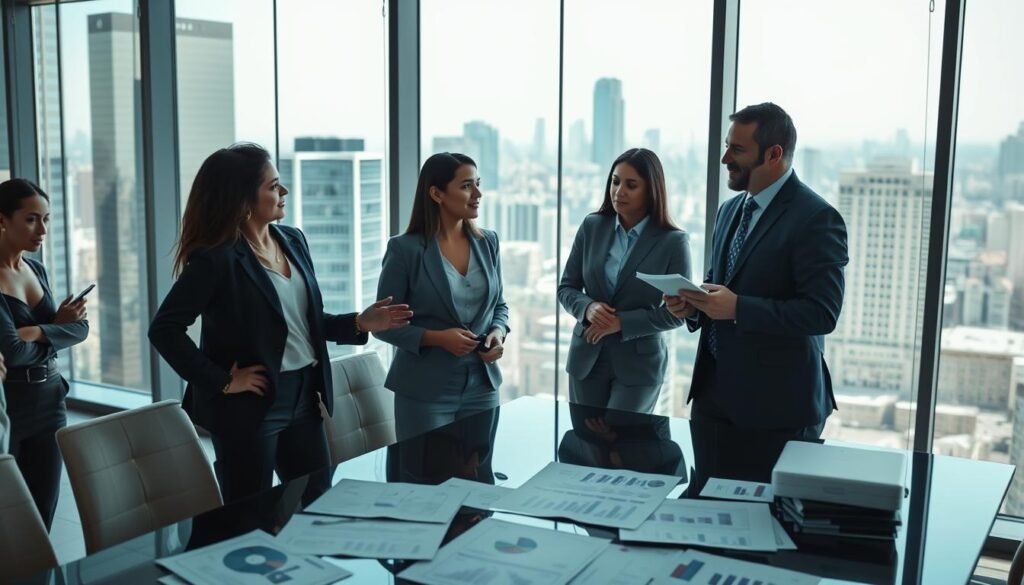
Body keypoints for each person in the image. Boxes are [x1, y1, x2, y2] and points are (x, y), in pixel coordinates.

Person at [149, 143, 411, 503]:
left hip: (305, 396)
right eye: (273, 186)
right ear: (243, 199)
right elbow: (164, 330)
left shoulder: (292, 240)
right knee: (250, 512)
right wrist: (223, 381)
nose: (283, 192)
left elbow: (305, 323)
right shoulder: (216, 260)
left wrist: (360, 323)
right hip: (250, 405)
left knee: (316, 500)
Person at [664, 103, 849, 493]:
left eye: (737, 150)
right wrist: (692, 307)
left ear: (774, 154)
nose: (725, 158)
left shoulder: (816, 218)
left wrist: (739, 308)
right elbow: (718, 285)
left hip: (777, 409)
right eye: (727, 146)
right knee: (705, 516)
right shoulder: (729, 210)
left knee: (765, 529)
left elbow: (822, 313)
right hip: (713, 399)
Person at [374, 152, 509, 440]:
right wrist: (437, 338)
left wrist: (497, 333)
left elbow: (499, 306)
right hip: (425, 391)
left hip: (482, 387)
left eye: (478, 183)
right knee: (426, 478)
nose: (478, 194)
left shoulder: (488, 242)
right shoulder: (405, 250)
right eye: (466, 186)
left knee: (480, 479)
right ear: (436, 193)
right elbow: (383, 326)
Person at [558, 148, 691, 416]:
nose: (619, 191)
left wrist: (622, 323)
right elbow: (566, 288)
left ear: (651, 190)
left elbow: (679, 314)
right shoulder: (592, 226)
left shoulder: (673, 241)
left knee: (621, 448)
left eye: (631, 185)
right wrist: (588, 308)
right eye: (615, 181)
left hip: (639, 366)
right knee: (585, 445)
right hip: (588, 356)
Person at [0, 178, 89, 529]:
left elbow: (79, 329)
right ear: (2, 219)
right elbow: (14, 352)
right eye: (31, 219)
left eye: (47, 219)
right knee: (9, 523)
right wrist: (56, 330)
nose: (43, 230)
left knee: (42, 516)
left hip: (51, 402)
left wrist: (38, 329)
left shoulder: (36, 269)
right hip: (11, 405)